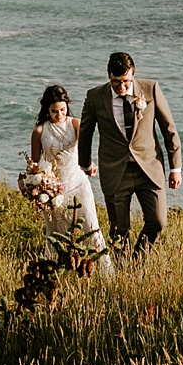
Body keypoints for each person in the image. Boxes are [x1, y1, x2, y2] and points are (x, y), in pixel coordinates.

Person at [78, 51, 181, 258]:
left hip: (149, 168)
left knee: (158, 222)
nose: (122, 87)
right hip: (116, 171)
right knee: (119, 229)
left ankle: (136, 260)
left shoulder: (151, 89)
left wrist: (175, 167)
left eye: (126, 81)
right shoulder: (95, 97)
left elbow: (168, 128)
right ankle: (122, 270)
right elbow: (85, 133)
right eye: (116, 82)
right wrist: (86, 164)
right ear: (108, 76)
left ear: (133, 74)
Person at [27, 84, 113, 275]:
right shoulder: (40, 131)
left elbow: (85, 150)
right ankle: (55, 273)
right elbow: (34, 165)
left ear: (67, 106)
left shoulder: (75, 124)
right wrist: (37, 185)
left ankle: (106, 273)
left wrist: (90, 165)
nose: (59, 115)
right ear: (47, 110)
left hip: (78, 184)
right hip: (53, 190)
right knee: (55, 233)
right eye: (54, 111)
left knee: (91, 226)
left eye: (63, 110)